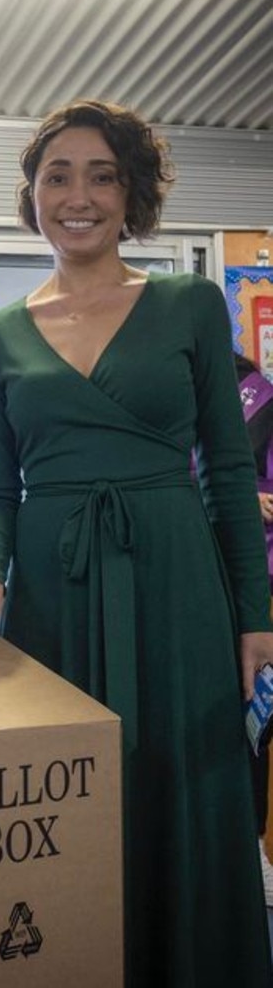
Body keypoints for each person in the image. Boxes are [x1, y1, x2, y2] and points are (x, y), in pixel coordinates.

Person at [0, 99, 273, 986]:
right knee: (66, 794)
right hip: (54, 592)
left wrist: (257, 618)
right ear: (32, 195)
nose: (79, 195)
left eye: (102, 175)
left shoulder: (190, 305)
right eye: (58, 175)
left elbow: (230, 476)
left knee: (189, 784)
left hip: (177, 585)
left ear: (132, 197)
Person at [235, 350, 273, 905]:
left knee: (257, 713)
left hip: (256, 581)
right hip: (206, 573)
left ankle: (258, 848)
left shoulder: (258, 395)